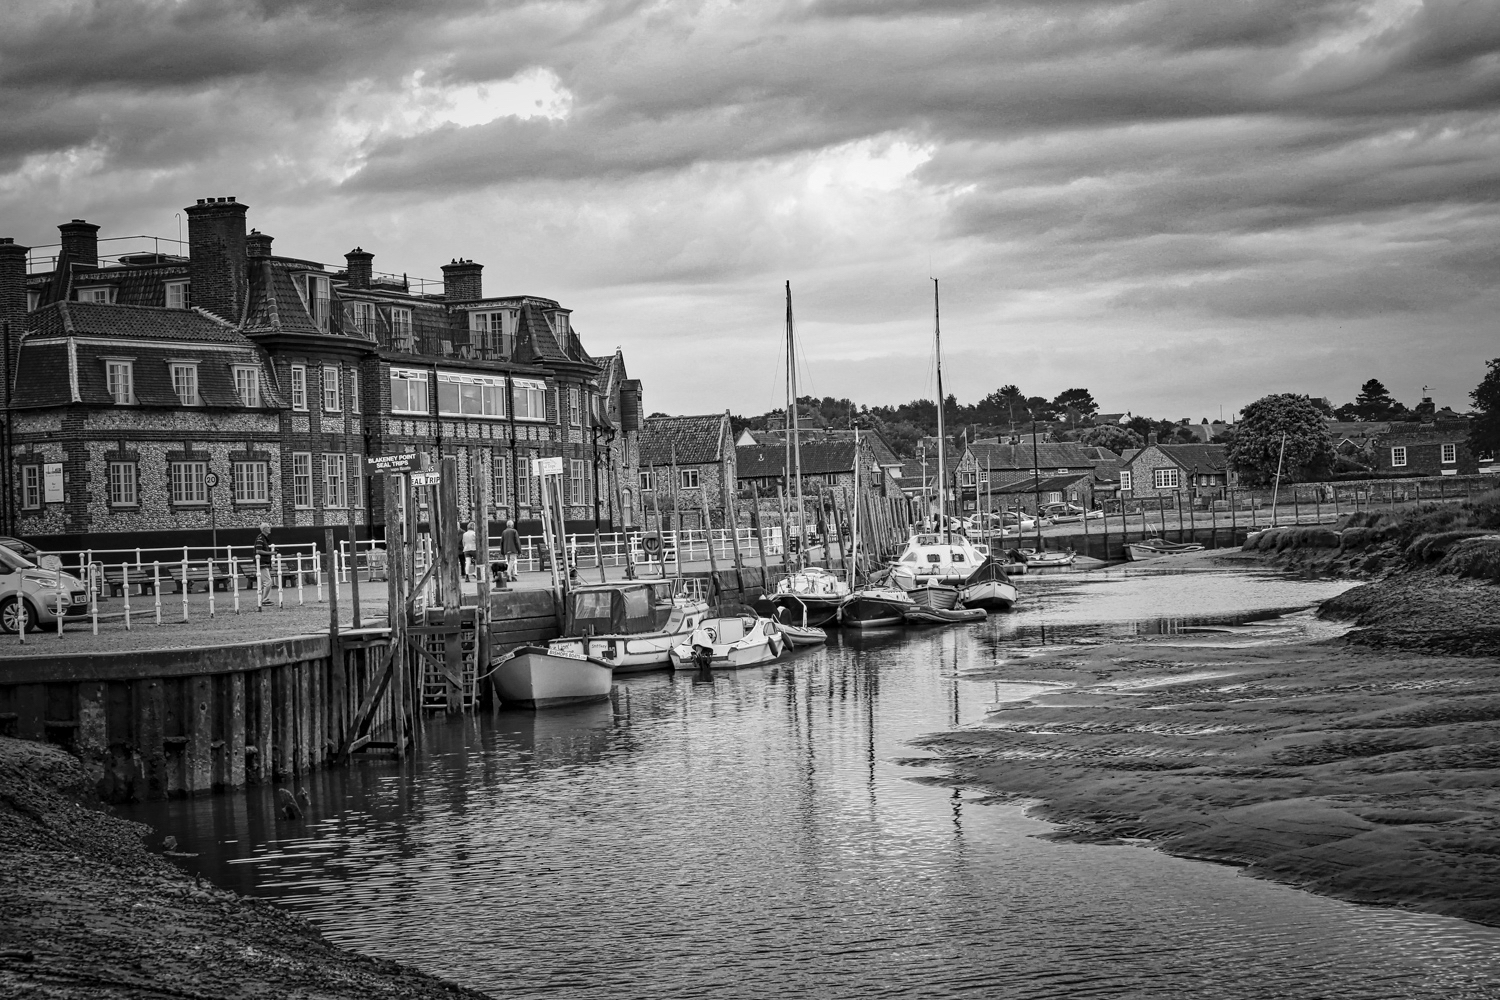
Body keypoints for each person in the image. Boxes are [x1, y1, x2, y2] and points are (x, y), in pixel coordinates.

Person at [255, 521, 274, 606]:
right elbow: (258, 550)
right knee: (268, 581)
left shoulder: (263, 538)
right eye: (268, 527)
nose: (270, 529)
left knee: (266, 581)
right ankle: (265, 599)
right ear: (264, 529)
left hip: (264, 563)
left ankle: (264, 598)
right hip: (262, 563)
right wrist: (271, 553)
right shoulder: (261, 539)